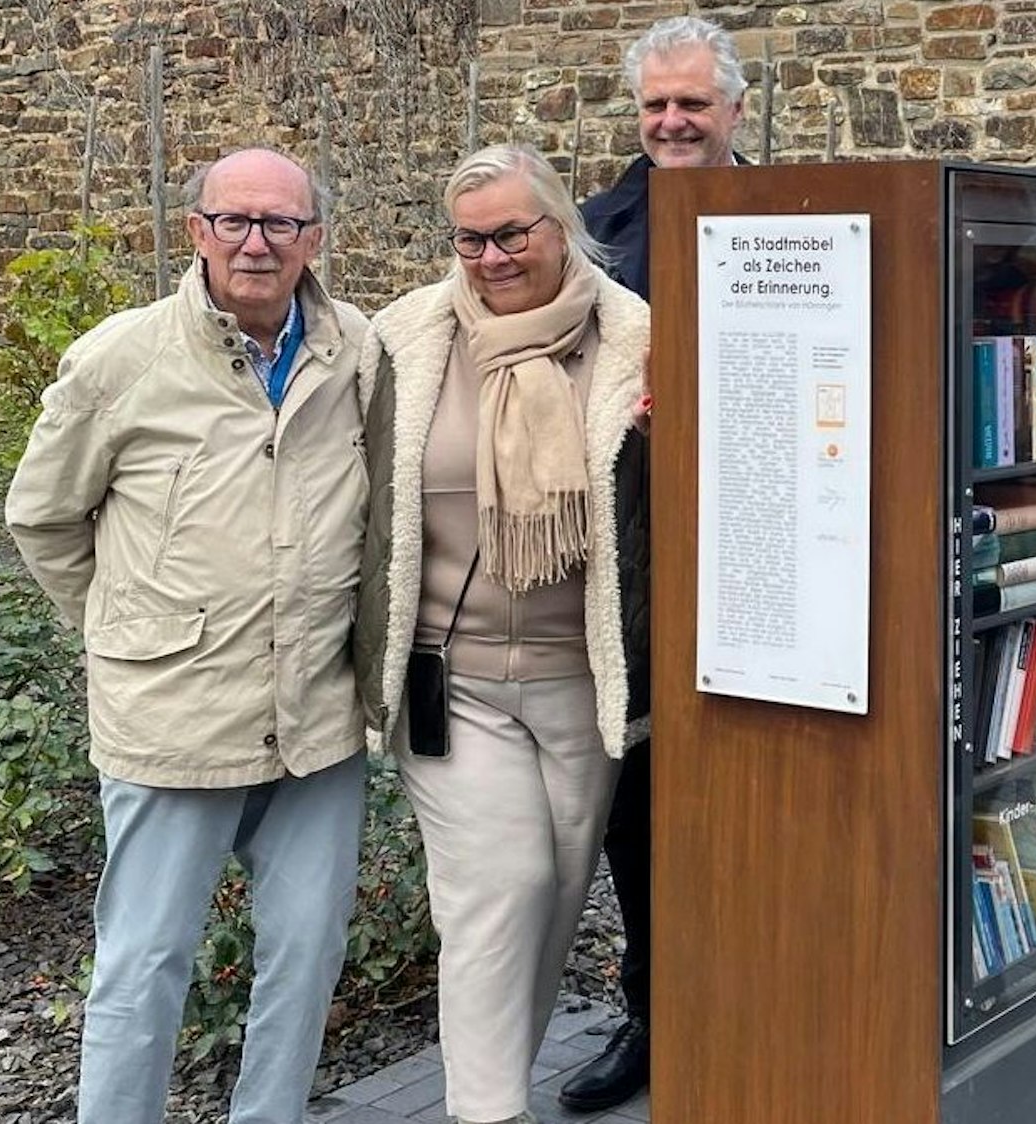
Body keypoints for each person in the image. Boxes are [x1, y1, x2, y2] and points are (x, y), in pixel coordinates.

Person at [6, 147, 370, 1124]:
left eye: (280, 224)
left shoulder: (358, 354)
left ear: (314, 239)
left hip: (316, 718)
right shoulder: (121, 358)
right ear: (197, 230)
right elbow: (43, 517)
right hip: (173, 716)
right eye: (235, 220)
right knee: (145, 958)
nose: (257, 242)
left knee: (304, 951)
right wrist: (130, 628)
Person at [352, 143, 649, 1124]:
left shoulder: (638, 340)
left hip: (580, 677)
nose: (487, 257)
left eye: (509, 233)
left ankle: (493, 1085)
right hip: (451, 674)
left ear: (559, 226)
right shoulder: (406, 340)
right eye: (469, 239)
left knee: (553, 899)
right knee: (497, 889)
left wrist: (667, 432)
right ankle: (486, 1111)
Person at [558, 14, 747, 1114]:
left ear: (732, 109)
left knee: (773, 785)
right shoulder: (591, 234)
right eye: (654, 106)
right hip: (633, 569)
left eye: (690, 103)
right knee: (639, 802)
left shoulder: (811, 216)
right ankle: (655, 1012)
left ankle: (762, 997)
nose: (670, 121)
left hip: (775, 561)